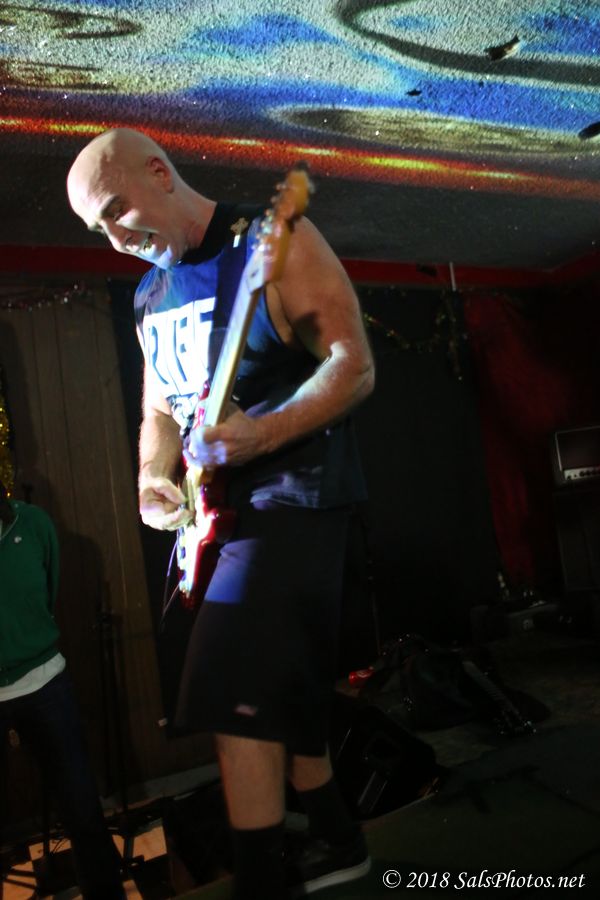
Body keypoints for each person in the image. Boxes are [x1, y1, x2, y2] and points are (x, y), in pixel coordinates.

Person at [67, 127, 375, 899]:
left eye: (116, 210)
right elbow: (159, 411)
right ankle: (339, 840)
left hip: (296, 494)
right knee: (278, 692)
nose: (116, 238)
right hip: (219, 520)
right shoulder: (149, 294)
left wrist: (261, 435)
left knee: (234, 694)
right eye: (98, 229)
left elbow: (353, 365)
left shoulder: (272, 241)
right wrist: (152, 477)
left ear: (159, 172)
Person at [0, 480, 125, 899]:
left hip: (45, 683)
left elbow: (46, 594)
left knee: (82, 809)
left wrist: (25, 641)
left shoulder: (32, 524)